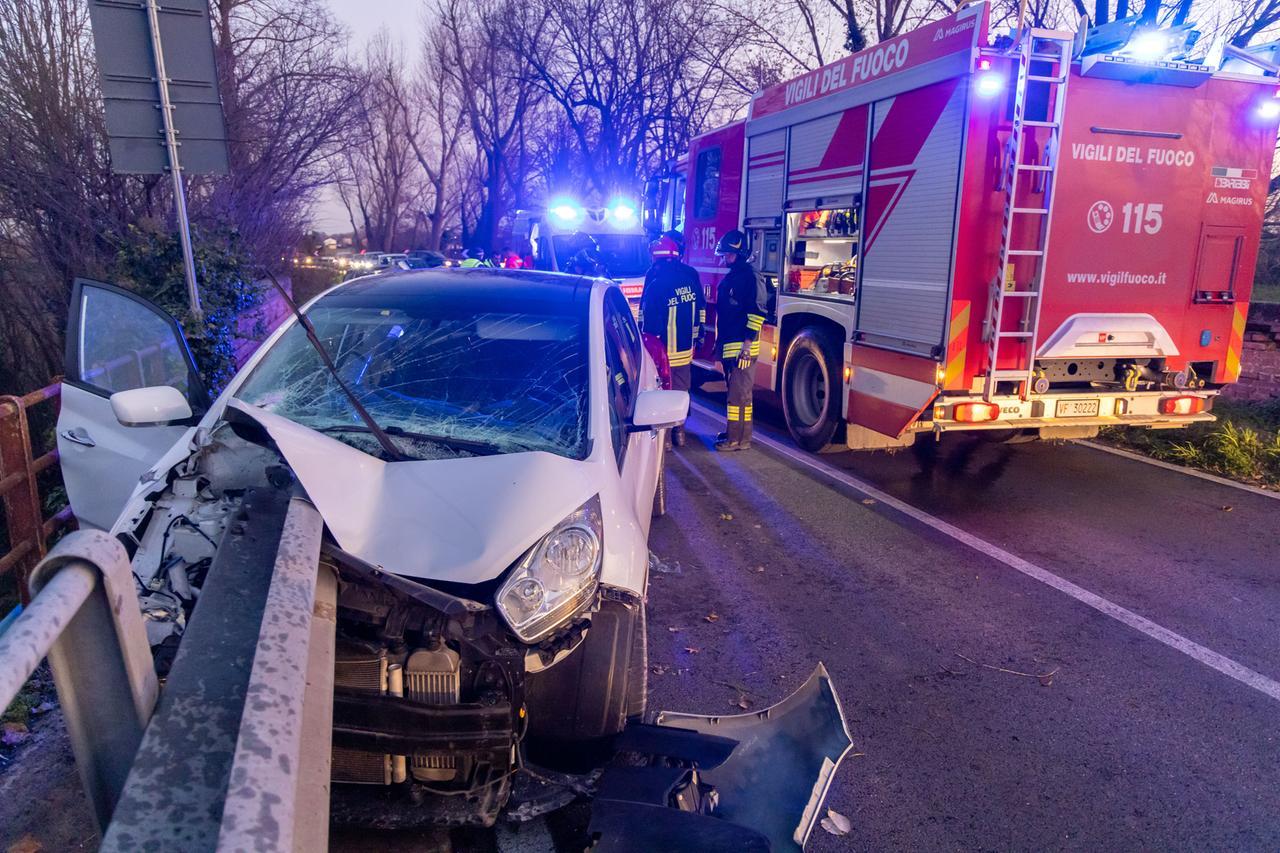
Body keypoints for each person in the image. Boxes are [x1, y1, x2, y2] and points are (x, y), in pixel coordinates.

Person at [639, 232, 704, 446]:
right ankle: (680, 433)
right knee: (682, 388)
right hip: (686, 349)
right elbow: (699, 310)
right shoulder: (690, 277)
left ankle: (665, 441)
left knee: (662, 391)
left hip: (664, 349)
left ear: (657, 258)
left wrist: (646, 343)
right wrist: (698, 336)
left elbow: (649, 316)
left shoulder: (655, 281)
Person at [713, 229, 767, 452]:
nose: (725, 258)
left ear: (739, 254)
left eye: (728, 255)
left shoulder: (750, 277)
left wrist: (746, 346)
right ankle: (733, 433)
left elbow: (756, 313)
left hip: (742, 348)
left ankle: (738, 440)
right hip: (731, 346)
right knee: (735, 393)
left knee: (740, 395)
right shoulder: (736, 275)